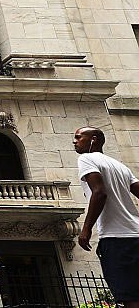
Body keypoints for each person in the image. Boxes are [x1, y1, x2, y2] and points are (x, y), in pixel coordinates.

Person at [74, 126, 139, 308]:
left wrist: (85, 229)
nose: (75, 141)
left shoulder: (86, 159)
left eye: (79, 137)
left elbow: (99, 192)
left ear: (93, 139)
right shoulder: (120, 166)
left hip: (116, 239)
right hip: (136, 235)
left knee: (128, 296)